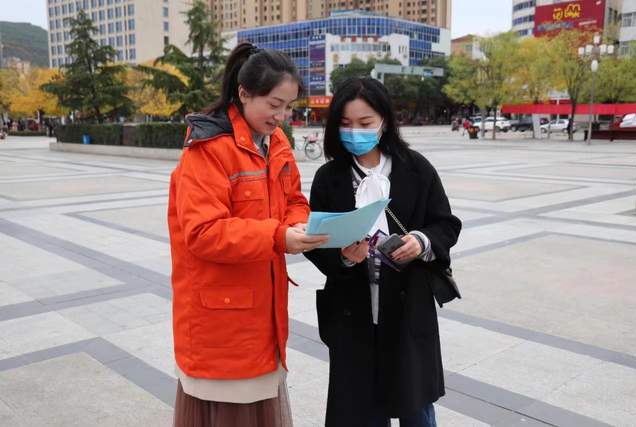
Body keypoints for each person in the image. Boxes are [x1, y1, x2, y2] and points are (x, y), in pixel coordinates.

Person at [168, 42, 328, 427]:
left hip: (263, 312)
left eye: (288, 107)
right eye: (274, 105)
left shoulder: (277, 142)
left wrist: (297, 224)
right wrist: (278, 237)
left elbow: (294, 198)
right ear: (244, 93)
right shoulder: (208, 149)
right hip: (221, 319)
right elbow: (204, 232)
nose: (282, 116)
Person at [304, 77, 461, 427]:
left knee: (415, 407)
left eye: (365, 123)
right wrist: (344, 257)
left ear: (384, 122)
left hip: (407, 310)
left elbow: (446, 224)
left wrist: (421, 241)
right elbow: (316, 242)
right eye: (346, 123)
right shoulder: (330, 177)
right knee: (360, 409)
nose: (354, 132)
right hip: (352, 312)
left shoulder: (415, 168)